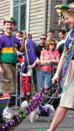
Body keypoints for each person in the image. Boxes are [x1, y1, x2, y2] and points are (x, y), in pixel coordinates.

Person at [46, 3, 74, 131]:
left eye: (68, 17)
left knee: (65, 102)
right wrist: (57, 73)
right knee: (65, 101)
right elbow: (64, 53)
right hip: (70, 70)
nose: (66, 21)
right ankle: (51, 129)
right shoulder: (70, 34)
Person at [0, 16, 24, 119]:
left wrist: (23, 41)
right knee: (6, 88)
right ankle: (4, 109)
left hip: (13, 65)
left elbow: (21, 50)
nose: (9, 26)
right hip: (5, 65)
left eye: (11, 24)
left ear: (14, 26)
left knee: (11, 88)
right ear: (4, 25)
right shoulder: (0, 38)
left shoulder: (14, 39)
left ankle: (6, 108)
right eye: (7, 24)